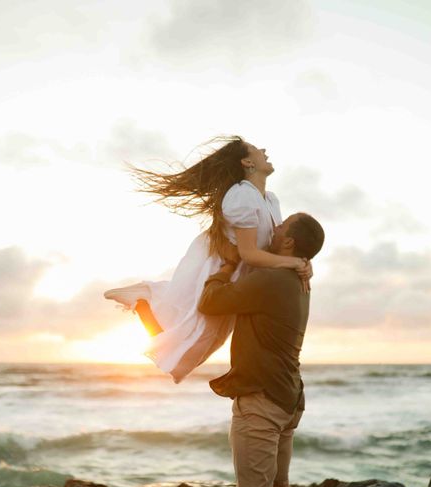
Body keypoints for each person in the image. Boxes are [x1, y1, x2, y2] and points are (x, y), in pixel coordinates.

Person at [104, 136, 312, 383]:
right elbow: (248, 253)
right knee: (193, 345)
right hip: (223, 267)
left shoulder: (270, 200)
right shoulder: (242, 196)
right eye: (257, 149)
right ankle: (143, 301)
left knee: (200, 346)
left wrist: (304, 263)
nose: (264, 150)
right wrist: (293, 264)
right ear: (247, 162)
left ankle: (147, 296)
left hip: (241, 274)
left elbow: (277, 245)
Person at [197, 212, 325, 487]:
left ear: (289, 242)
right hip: (288, 397)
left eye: (281, 226)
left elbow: (211, 303)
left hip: (262, 399)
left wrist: (225, 267)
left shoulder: (274, 279)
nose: (274, 226)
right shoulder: (298, 279)